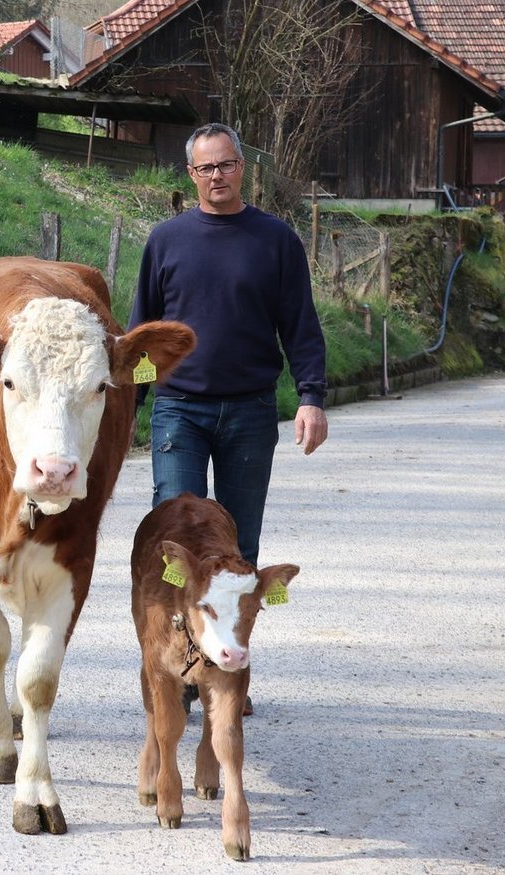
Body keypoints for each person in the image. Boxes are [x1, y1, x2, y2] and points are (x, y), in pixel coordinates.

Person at [128, 122, 329, 717]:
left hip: (249, 410)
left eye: (226, 164)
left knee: (240, 547)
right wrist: (127, 409)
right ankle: (182, 667)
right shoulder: (166, 241)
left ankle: (227, 670)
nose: (217, 176)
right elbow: (143, 333)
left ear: (243, 167)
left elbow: (301, 325)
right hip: (178, 410)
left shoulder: (276, 240)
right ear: (191, 174)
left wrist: (311, 397)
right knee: (175, 543)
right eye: (206, 167)